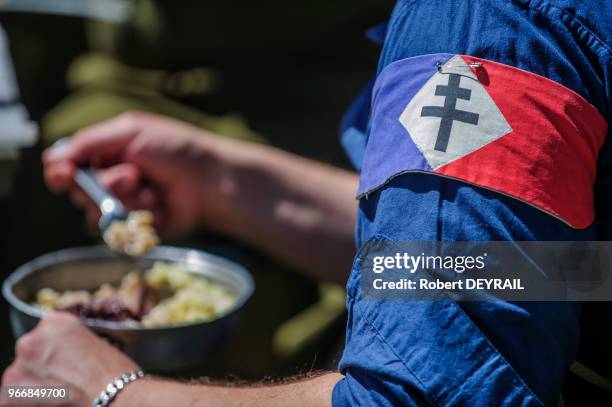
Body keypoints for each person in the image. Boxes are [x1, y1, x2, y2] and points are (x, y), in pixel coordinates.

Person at [3, 0, 612, 406]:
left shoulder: (486, 22)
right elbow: (560, 272)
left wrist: (108, 391)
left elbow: (424, 396)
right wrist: (227, 185)